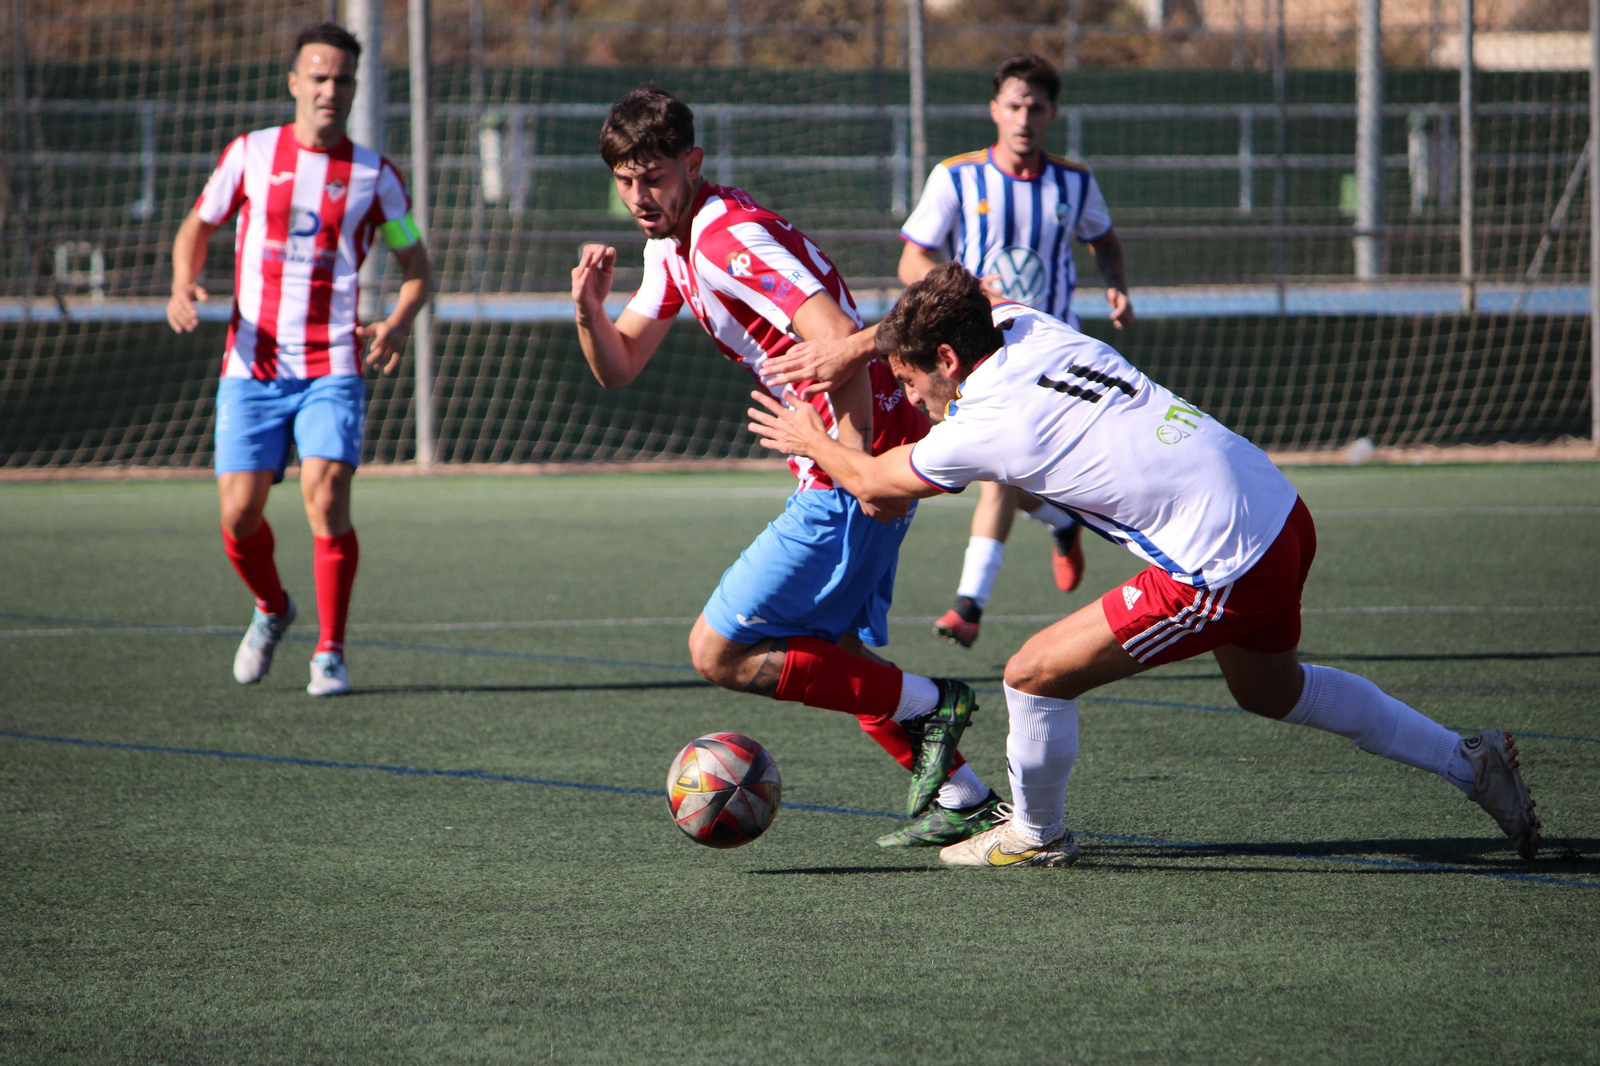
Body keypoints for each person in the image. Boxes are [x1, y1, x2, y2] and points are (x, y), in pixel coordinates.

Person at [747, 262, 1541, 869]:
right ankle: (1467, 762)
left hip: (1222, 560)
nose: (910, 393)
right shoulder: (1025, 324)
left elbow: (876, 485)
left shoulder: (983, 422)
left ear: (949, 358)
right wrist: (861, 343)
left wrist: (809, 437)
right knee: (1271, 689)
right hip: (1278, 509)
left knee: (1031, 675)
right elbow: (980, 285)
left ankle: (1035, 836)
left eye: (911, 377)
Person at [571, 86, 1000, 848]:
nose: (641, 195)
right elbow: (621, 364)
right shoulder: (673, 246)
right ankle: (964, 796)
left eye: (655, 176)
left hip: (848, 460)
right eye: (626, 180)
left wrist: (857, 462)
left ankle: (934, 701)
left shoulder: (722, 239)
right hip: (848, 455)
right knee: (831, 654)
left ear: (691, 164)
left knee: (719, 650)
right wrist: (589, 312)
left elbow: (838, 337)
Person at [763, 53, 1133, 650]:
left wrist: (1116, 282)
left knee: (1002, 475)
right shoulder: (957, 177)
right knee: (1003, 473)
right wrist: (961, 288)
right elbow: (913, 257)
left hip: (1050, 349)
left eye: (1036, 107)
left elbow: (1105, 242)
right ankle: (1055, 528)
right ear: (995, 110)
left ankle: (969, 604)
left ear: (1052, 114)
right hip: (975, 349)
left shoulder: (1075, 182)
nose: (1024, 118)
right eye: (1014, 105)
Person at [166, 22, 431, 697]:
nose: (329, 90)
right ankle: (273, 607)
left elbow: (416, 267)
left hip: (332, 365)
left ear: (354, 87)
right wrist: (182, 282)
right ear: (293, 83)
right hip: (251, 365)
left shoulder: (375, 177)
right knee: (238, 517)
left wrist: (398, 322)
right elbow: (198, 225)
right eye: (318, 77)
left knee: (328, 496)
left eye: (342, 79)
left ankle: (331, 651)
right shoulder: (250, 155)